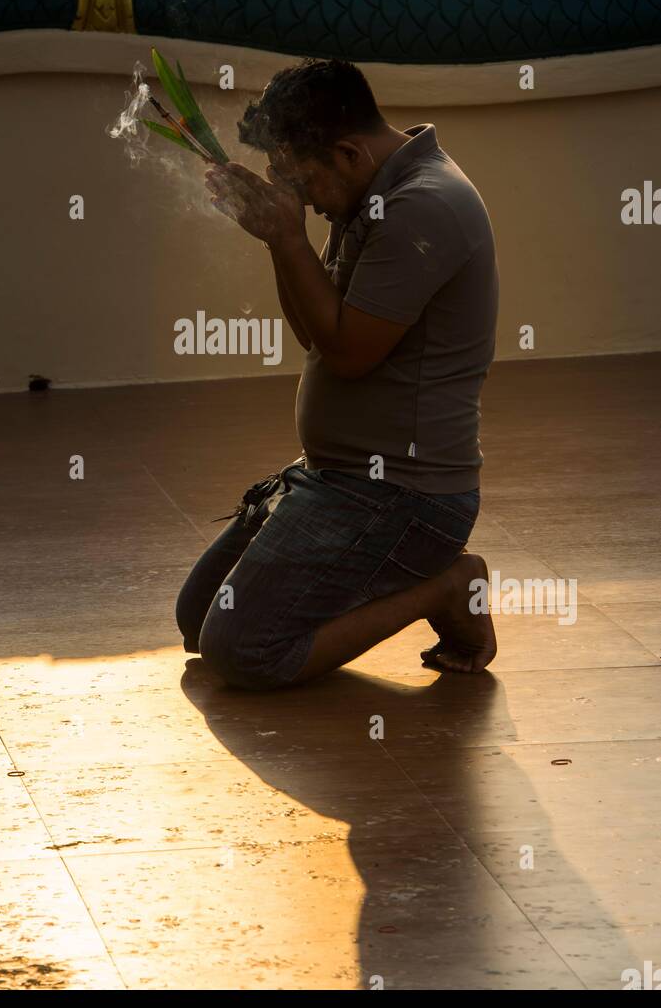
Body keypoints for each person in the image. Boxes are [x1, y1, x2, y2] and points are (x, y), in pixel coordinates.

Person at [175, 58, 499, 690]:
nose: (298, 199)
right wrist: (279, 241)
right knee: (198, 619)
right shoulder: (371, 188)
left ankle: (446, 586)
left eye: (301, 181)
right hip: (339, 480)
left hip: (402, 495)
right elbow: (316, 334)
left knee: (244, 652)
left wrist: (288, 241)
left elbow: (349, 355)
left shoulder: (421, 207)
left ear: (348, 153)